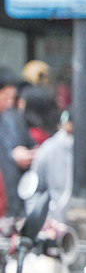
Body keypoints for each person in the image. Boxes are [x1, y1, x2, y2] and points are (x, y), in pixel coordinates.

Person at [0, 69, 24, 216]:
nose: (10, 102)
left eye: (12, 98)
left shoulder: (11, 119)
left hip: (11, 195)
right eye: (6, 96)